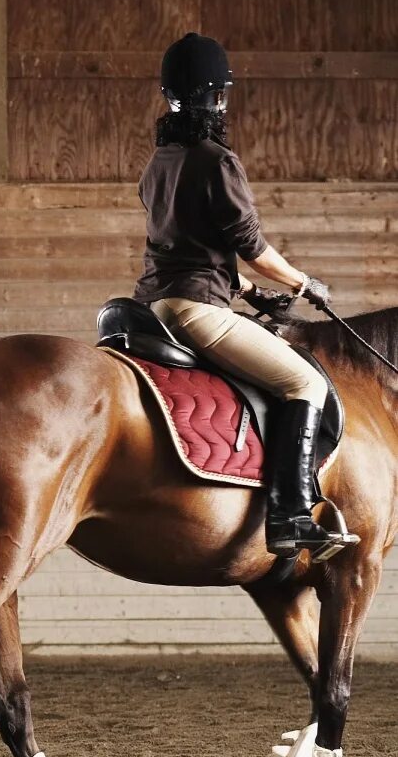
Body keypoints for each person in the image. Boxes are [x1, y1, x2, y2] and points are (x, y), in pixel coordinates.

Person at [132, 32, 353, 556]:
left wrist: (248, 291)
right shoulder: (217, 162)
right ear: (216, 97)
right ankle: (290, 516)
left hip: (154, 304)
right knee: (304, 383)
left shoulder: (158, 162)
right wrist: (303, 284)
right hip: (196, 310)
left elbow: (189, 245)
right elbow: (252, 248)